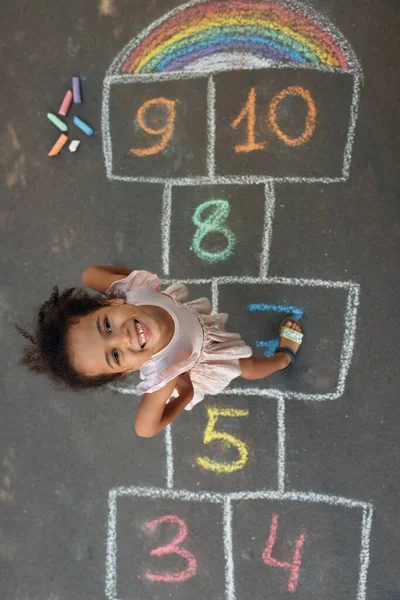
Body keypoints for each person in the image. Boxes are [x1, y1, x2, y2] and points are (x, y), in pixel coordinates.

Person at [19, 265, 304, 437]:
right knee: (249, 367)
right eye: (115, 356)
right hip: (203, 355)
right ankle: (283, 358)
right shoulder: (166, 371)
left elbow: (89, 274)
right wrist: (185, 397)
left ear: (111, 304)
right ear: (128, 370)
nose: (123, 338)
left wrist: (126, 277)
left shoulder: (132, 291)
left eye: (106, 326)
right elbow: (144, 428)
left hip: (195, 323)